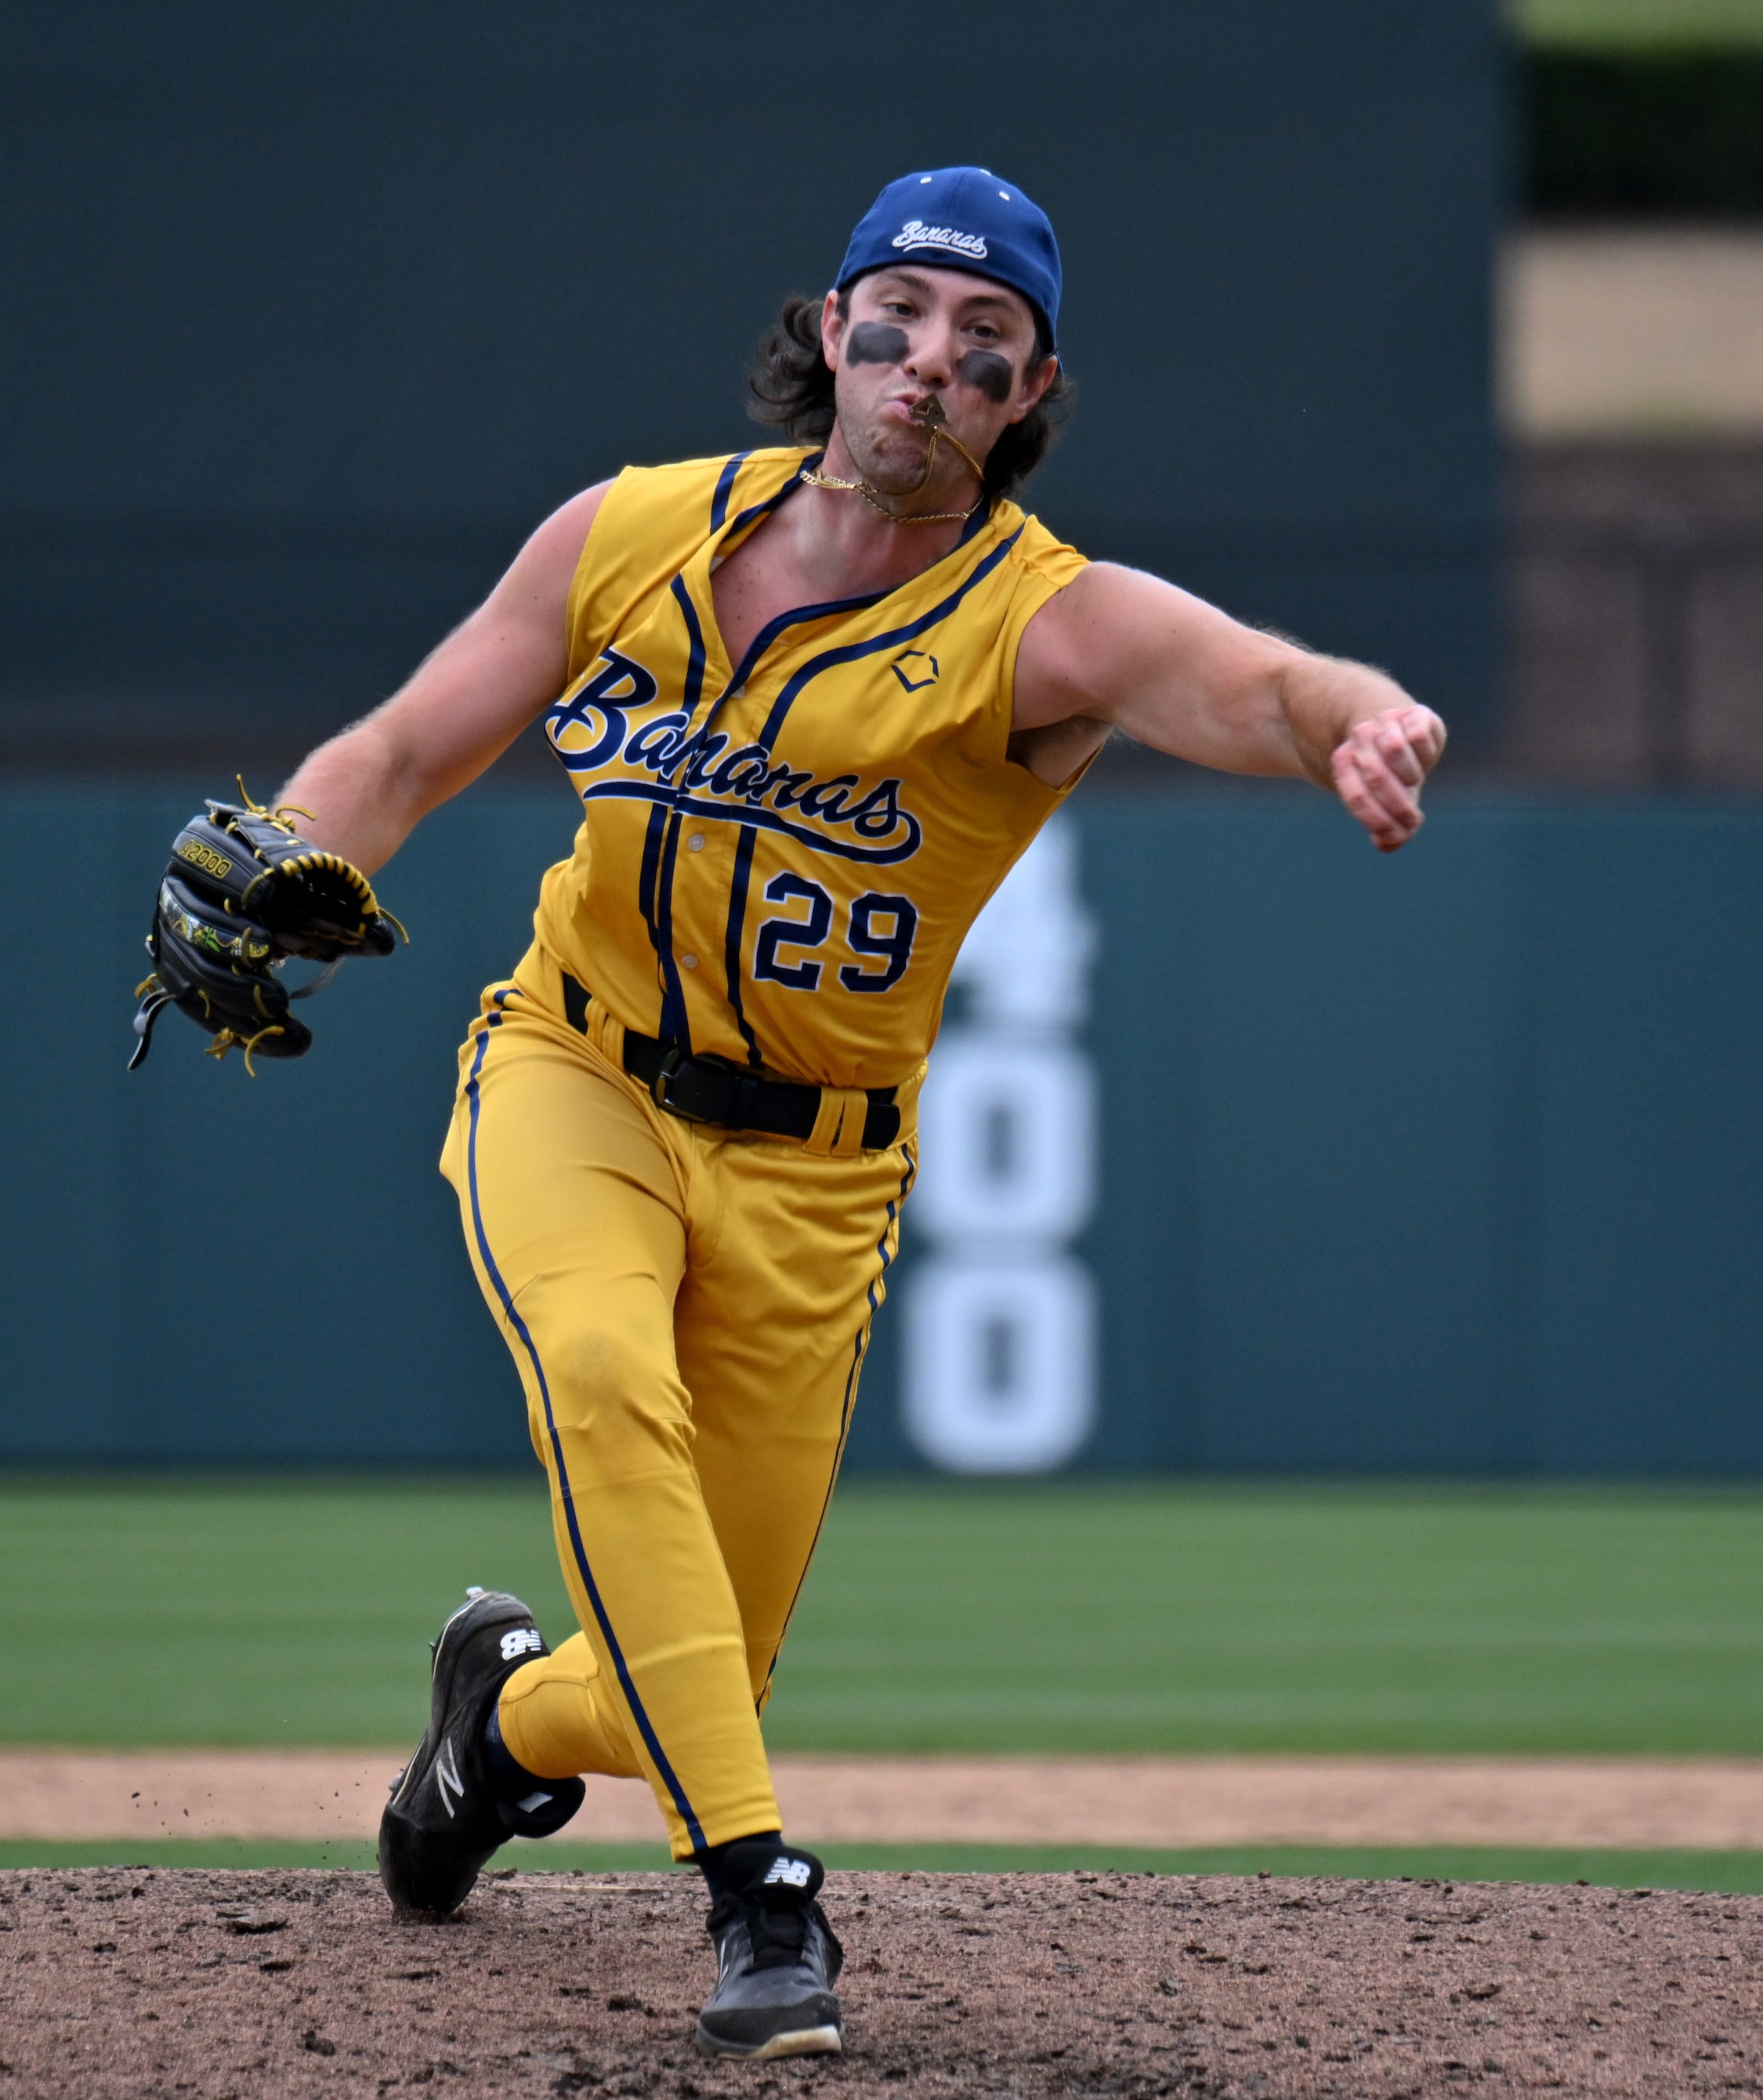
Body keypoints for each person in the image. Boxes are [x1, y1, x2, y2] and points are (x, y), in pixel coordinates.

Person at [212, 166, 1443, 2059]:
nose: (933, 358)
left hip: (817, 1176)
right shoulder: (627, 530)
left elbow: (1264, 680)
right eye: (905, 312)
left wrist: (1357, 714)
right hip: (575, 1068)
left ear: (1028, 397)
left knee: (659, 1690)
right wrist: (293, 850)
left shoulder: (1040, 623)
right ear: (834, 328)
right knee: (605, 1374)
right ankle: (763, 1898)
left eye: (989, 340)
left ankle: (491, 1725)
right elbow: (394, 754)